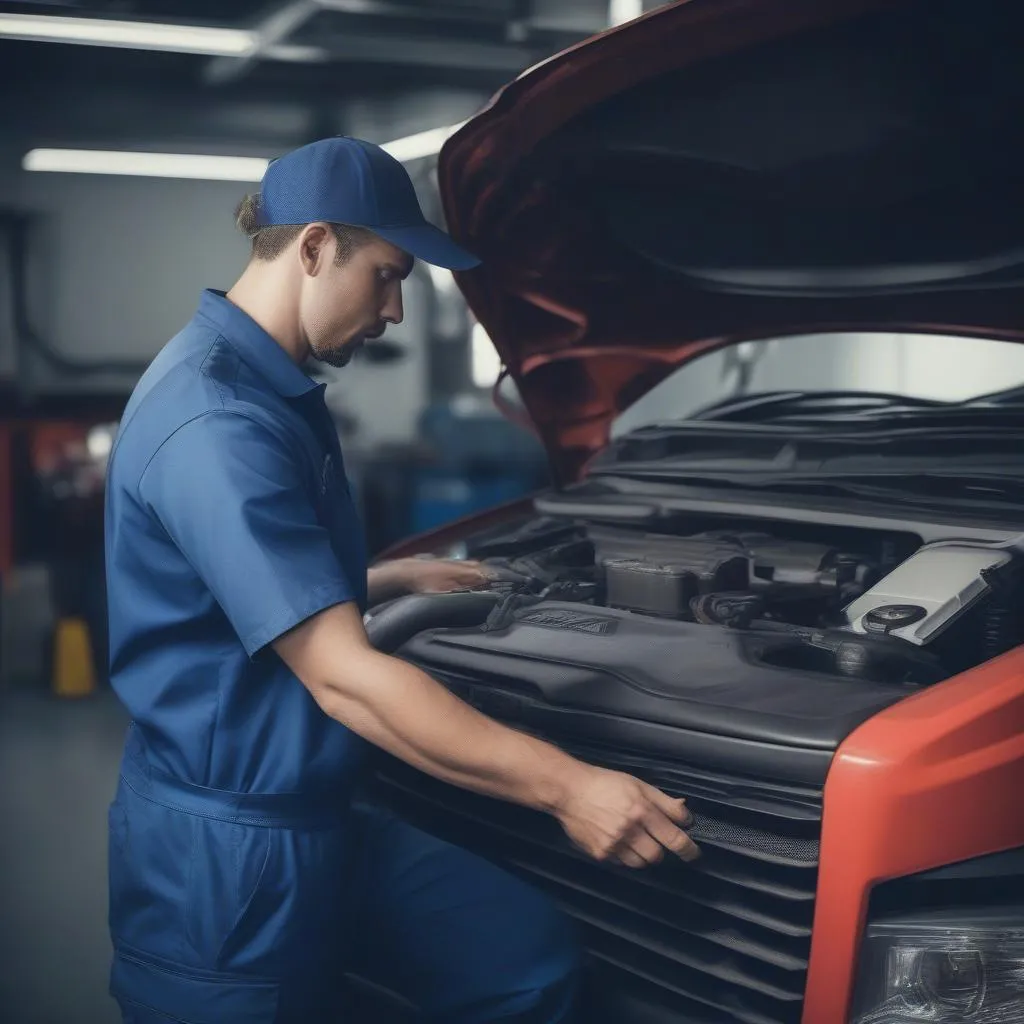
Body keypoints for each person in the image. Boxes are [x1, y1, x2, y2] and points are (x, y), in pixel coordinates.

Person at [103, 136, 700, 1024]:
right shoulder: (218, 423)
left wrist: (376, 577)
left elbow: (240, 577)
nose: (393, 311)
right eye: (386, 275)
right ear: (313, 248)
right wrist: (570, 787)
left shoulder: (262, 386)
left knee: (523, 960)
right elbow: (346, 678)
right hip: (229, 855)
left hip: (321, 810)